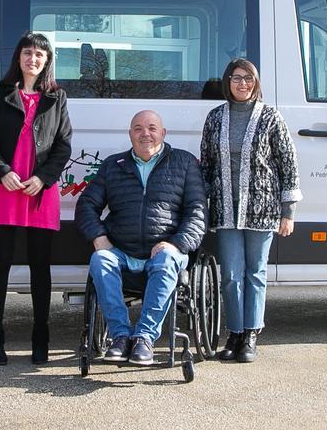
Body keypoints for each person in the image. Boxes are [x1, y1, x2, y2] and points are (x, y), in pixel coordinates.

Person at [75, 110, 207, 366]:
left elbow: (198, 213)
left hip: (166, 251)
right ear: (130, 135)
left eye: (152, 127)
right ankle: (121, 337)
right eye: (138, 128)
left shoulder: (184, 162)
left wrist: (176, 243)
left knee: (168, 258)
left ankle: (144, 338)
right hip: (122, 252)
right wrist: (98, 236)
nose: (145, 133)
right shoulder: (114, 165)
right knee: (100, 260)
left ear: (163, 133)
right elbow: (86, 206)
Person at [0, 32, 73, 366]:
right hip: (4, 190)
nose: (33, 59)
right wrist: (1, 171)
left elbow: (63, 145)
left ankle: (40, 338)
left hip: (38, 192)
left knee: (39, 268)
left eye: (40, 55)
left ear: (47, 62)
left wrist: (43, 178)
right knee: (0, 266)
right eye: (28, 53)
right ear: (18, 57)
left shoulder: (57, 97)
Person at [199, 59, 300, 364]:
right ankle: (234, 333)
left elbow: (288, 163)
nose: (242, 84)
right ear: (227, 82)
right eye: (236, 78)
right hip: (226, 209)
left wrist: (288, 211)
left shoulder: (271, 117)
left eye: (248, 79)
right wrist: (200, 207)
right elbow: (206, 165)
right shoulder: (215, 118)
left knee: (255, 272)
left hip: (262, 208)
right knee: (230, 274)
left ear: (256, 83)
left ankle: (251, 334)